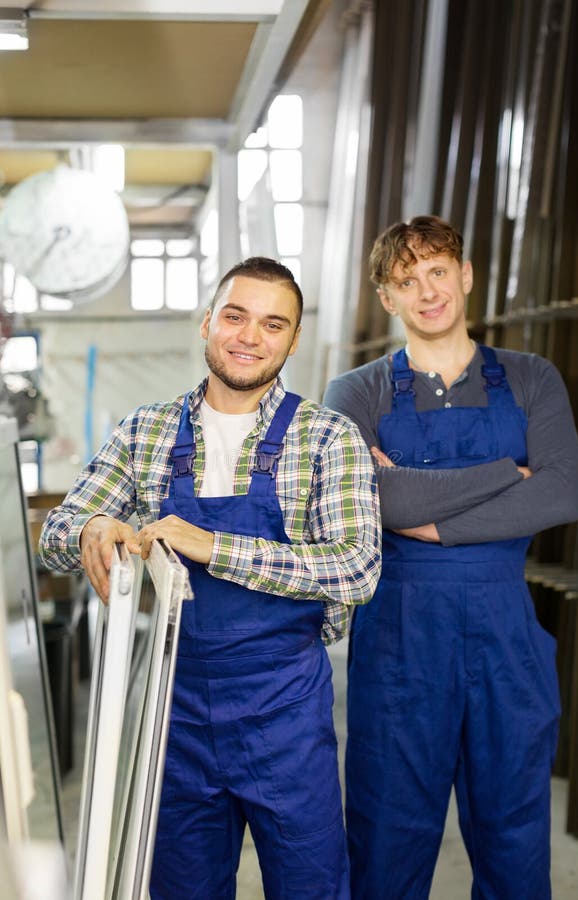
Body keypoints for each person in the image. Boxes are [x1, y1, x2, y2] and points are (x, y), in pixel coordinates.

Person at [39, 256, 382, 900]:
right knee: (182, 888)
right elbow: (55, 536)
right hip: (178, 711)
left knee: (310, 885)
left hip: (285, 710)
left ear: (293, 339)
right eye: (235, 316)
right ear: (207, 323)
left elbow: (357, 566)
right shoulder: (147, 431)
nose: (250, 336)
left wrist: (212, 545)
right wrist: (91, 530)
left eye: (273, 324)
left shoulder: (328, 437)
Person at [323, 216, 578, 900]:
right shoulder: (355, 393)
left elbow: (564, 491)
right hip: (400, 643)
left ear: (466, 276)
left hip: (507, 638)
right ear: (388, 298)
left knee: (514, 843)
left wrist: (427, 518)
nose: (427, 292)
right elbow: (377, 504)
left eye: (438, 272)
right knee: (386, 841)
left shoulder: (531, 378)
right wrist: (507, 473)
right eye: (406, 281)